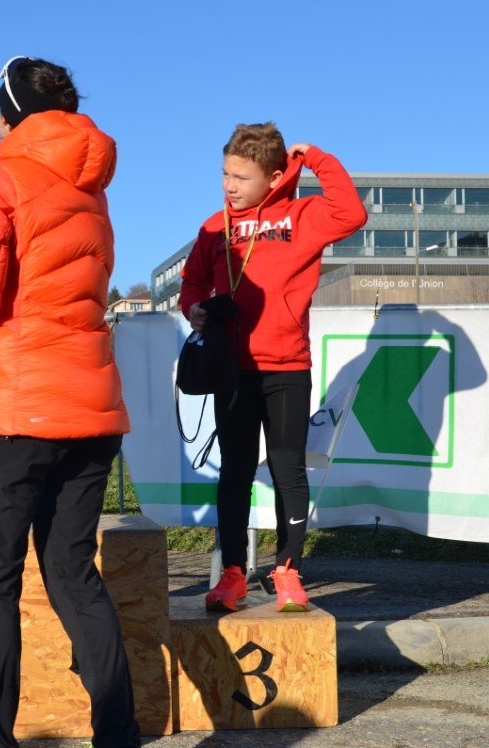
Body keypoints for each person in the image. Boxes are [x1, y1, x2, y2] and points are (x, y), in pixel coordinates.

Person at [0, 56, 140, 748]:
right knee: (73, 575)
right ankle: (118, 733)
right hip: (91, 409)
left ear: (8, 118)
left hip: (15, 410)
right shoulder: (92, 190)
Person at [178, 122, 368, 612]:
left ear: (275, 177)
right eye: (225, 174)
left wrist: (317, 157)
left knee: (288, 471)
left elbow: (353, 212)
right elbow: (192, 281)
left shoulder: (303, 216)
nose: (229, 185)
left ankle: (288, 572)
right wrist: (193, 307)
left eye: (241, 178)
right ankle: (233, 574)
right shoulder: (213, 226)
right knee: (235, 473)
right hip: (231, 370)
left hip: (287, 368)